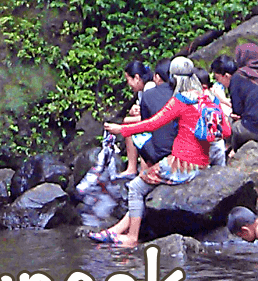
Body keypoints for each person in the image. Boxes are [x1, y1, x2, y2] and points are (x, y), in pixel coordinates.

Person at [92, 56, 230, 248]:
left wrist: (121, 130)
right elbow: (226, 131)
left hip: (180, 164)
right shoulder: (210, 98)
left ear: (173, 78)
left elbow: (153, 123)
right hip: (202, 164)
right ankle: (117, 230)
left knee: (136, 188)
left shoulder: (180, 100)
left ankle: (131, 237)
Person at [116, 59, 154, 178]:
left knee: (128, 125)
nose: (129, 84)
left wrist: (128, 120)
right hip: (151, 122)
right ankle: (131, 168)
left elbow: (152, 116)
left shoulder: (150, 88)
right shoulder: (141, 91)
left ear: (136, 78)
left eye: (128, 80)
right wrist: (134, 111)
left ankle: (141, 170)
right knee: (128, 125)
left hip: (157, 125)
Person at [226, 44, 258, 150]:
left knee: (230, 125)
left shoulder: (239, 76)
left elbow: (237, 111)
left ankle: (232, 154)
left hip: (252, 129)